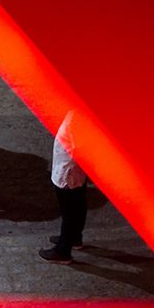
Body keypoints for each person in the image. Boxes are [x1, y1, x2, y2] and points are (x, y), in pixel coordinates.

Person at [39, 111, 87, 264]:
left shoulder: (80, 115)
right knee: (78, 202)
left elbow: (78, 144)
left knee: (70, 209)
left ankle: (63, 250)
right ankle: (74, 237)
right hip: (71, 166)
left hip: (69, 168)